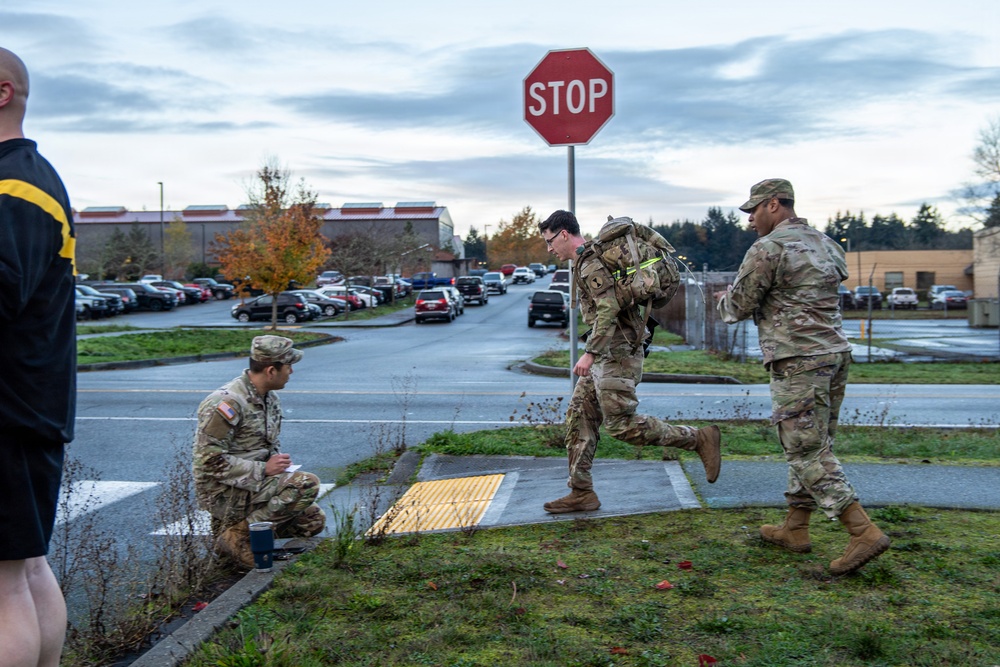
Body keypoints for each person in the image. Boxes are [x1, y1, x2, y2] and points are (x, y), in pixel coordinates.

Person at [715, 178, 889, 575]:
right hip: (835, 354)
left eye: (754, 210)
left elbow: (739, 306)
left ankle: (861, 530)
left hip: (798, 358)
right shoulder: (827, 244)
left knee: (804, 449)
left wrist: (723, 299)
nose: (749, 221)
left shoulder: (768, 248)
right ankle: (796, 527)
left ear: (775, 205)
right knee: (815, 441)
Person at [538, 210, 721, 513]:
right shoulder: (587, 259)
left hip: (617, 353)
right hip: (609, 351)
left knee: (621, 426)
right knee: (579, 417)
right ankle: (581, 491)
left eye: (550, 241)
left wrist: (590, 352)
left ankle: (699, 439)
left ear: (564, 235)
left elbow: (608, 308)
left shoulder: (588, 262)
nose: (549, 249)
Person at [0, 47, 76, 667]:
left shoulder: (13, 186)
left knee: (2, 586)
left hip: (5, 413)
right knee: (24, 568)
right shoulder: (33, 177)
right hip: (27, 411)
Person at [193, 336, 326, 569]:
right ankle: (238, 537)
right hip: (226, 491)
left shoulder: (269, 398)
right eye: (288, 366)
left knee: (312, 521)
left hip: (252, 486)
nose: (292, 372)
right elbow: (208, 461)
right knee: (306, 484)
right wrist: (264, 469)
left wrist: (276, 466)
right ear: (271, 371)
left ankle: (233, 539)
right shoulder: (226, 403)